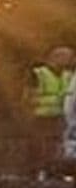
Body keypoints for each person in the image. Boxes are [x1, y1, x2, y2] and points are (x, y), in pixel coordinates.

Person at [29, 46, 73, 176]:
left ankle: (56, 172)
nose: (70, 61)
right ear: (55, 58)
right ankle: (39, 171)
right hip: (41, 117)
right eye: (67, 58)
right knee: (42, 147)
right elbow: (29, 97)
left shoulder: (68, 75)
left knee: (58, 147)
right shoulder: (38, 74)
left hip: (61, 117)